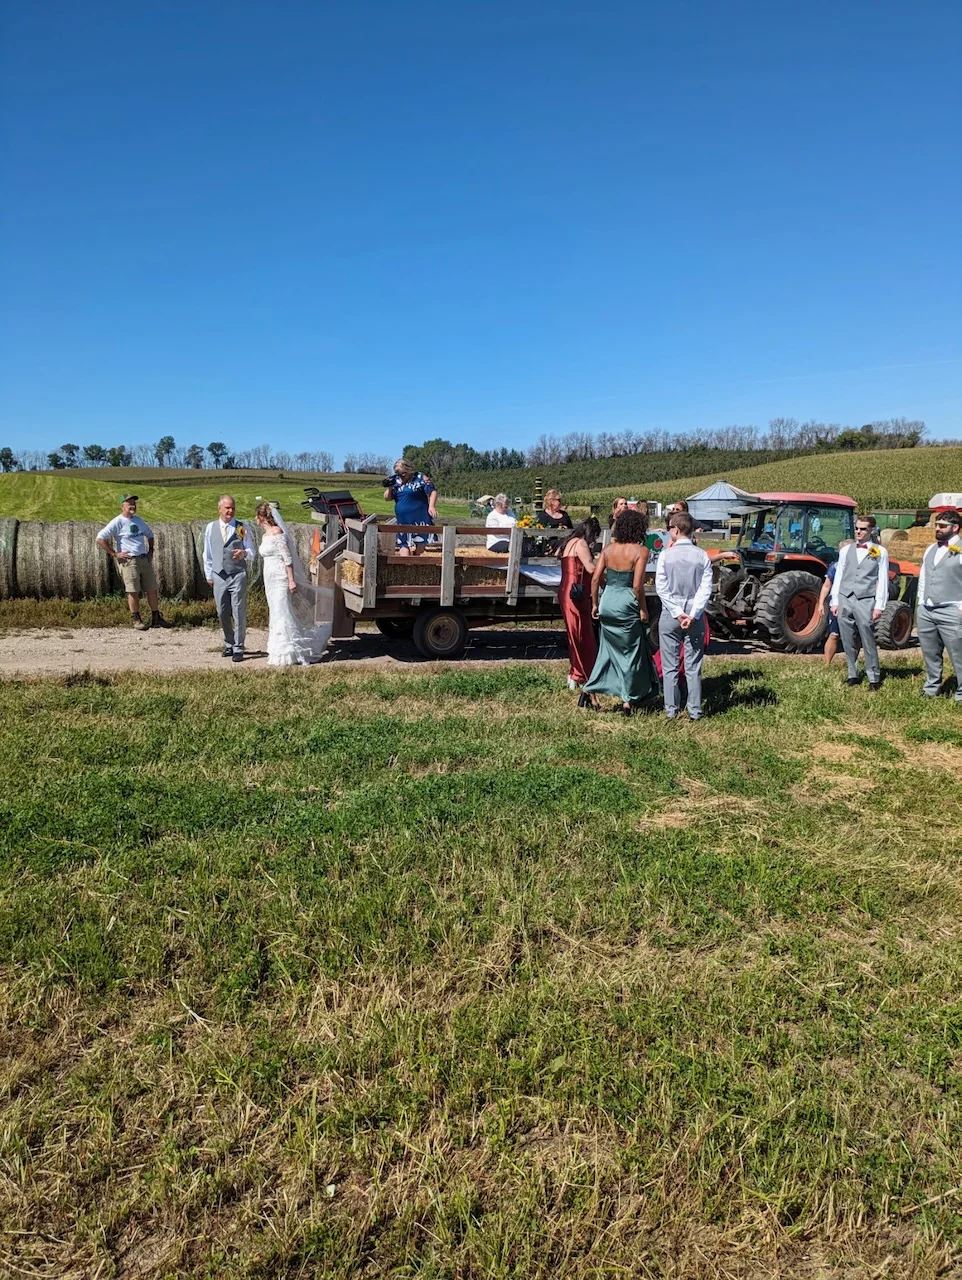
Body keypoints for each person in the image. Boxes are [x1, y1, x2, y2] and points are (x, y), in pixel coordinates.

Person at [582, 509, 659, 714]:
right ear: (640, 528)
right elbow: (637, 586)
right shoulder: (641, 551)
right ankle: (628, 698)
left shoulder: (608, 550)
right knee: (631, 652)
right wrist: (643, 609)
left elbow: (596, 578)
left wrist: (595, 604)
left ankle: (590, 688)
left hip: (608, 601)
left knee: (607, 651)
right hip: (626, 603)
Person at [255, 502, 331, 665]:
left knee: (283, 613)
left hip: (281, 580)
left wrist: (291, 580)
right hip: (270, 580)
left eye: (257, 516)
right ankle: (278, 650)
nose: (256, 519)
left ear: (261, 517)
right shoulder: (265, 535)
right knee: (275, 612)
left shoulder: (277, 533)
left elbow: (287, 558)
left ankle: (288, 652)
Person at [655, 512, 713, 721]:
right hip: (694, 614)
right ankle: (695, 710)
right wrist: (693, 613)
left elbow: (661, 588)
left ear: (676, 530)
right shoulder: (702, 556)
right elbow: (705, 589)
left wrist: (678, 613)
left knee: (670, 664)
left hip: (671, 614)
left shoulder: (665, 555)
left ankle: (671, 709)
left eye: (670, 527)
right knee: (693, 665)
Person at [830, 515, 889, 690]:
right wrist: (835, 600)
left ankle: (874, 676)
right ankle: (852, 674)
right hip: (845, 597)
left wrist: (879, 605)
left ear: (871, 530)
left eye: (863, 529)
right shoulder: (845, 550)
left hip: (865, 598)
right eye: (856, 528)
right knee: (846, 637)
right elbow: (839, 575)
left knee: (867, 637)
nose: (858, 532)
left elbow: (883, 578)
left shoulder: (880, 552)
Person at [96, 494, 170, 631]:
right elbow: (99, 538)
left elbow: (150, 535)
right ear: (122, 506)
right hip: (129, 561)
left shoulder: (139, 520)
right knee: (133, 591)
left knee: (152, 589)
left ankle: (156, 618)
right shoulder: (117, 522)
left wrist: (151, 550)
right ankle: (136, 619)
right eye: (129, 503)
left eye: (134, 503)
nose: (132, 506)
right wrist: (115, 553)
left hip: (143, 559)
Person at [917, 508, 962, 701]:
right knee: (930, 652)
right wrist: (921, 602)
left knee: (958, 654)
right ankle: (931, 688)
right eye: (936, 525)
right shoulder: (930, 549)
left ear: (955, 527)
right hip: (927, 608)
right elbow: (924, 577)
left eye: (942, 526)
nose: (937, 528)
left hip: (951, 608)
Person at [203, 495, 255, 662]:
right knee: (222, 611)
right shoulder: (210, 528)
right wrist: (209, 574)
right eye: (227, 508)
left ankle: (239, 647)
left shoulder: (242, 527)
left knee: (238, 611)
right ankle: (229, 643)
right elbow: (207, 553)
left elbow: (252, 552)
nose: (230, 511)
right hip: (219, 575)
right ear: (219, 509)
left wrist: (244, 553)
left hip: (238, 574)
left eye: (232, 508)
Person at [558, 517, 600, 694]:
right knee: (581, 635)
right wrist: (602, 564)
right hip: (576, 592)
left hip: (566, 589)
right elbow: (590, 568)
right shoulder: (581, 544)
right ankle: (580, 674)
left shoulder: (569, 542)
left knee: (574, 634)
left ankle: (575, 672)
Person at [384, 459, 437, 555]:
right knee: (403, 543)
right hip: (403, 519)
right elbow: (387, 498)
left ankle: (416, 562)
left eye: (403, 474)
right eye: (398, 474)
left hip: (420, 517)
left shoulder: (420, 477)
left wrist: (432, 506)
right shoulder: (395, 481)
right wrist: (390, 486)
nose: (401, 476)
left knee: (420, 544)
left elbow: (432, 491)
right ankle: (406, 566)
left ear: (408, 470)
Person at [814, 559, 842, 665]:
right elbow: (827, 585)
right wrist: (821, 603)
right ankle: (827, 663)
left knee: (855, 636)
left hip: (856, 602)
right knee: (834, 633)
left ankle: (852, 665)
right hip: (838, 603)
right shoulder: (835, 566)